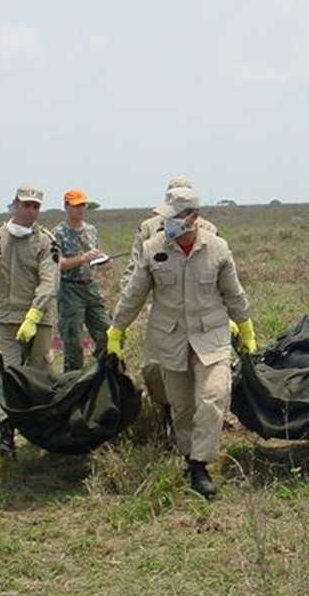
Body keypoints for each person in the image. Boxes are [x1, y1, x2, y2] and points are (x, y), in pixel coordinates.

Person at [107, 186, 256, 499]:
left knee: (214, 396)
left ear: (192, 217)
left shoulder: (217, 248)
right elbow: (134, 294)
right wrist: (117, 330)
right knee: (182, 406)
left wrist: (245, 327)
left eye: (173, 217)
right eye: (165, 217)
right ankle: (190, 459)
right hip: (171, 337)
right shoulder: (153, 248)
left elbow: (233, 292)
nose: (167, 223)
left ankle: (201, 463)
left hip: (210, 335)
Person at [120, 176, 218, 411]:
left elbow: (219, 271)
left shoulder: (208, 230)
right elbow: (133, 271)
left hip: (201, 313)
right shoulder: (149, 229)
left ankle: (199, 416)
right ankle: (166, 409)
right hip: (163, 312)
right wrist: (124, 313)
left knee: (202, 367)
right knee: (155, 367)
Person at [0, 185, 60, 454]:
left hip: (38, 320)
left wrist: (34, 314)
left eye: (35, 206)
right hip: (4, 319)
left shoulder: (46, 241)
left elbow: (49, 282)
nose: (30, 210)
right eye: (26, 204)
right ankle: (6, 434)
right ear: (15, 204)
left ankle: (45, 429)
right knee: (7, 376)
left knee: (40, 374)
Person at [52, 188, 111, 371]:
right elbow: (57, 264)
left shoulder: (91, 230)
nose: (81, 209)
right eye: (76, 205)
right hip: (70, 290)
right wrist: (83, 258)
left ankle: (103, 374)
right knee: (73, 343)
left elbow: (95, 259)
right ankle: (73, 383)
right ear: (66, 207)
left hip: (90, 287)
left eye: (83, 205)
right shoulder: (58, 233)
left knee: (107, 334)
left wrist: (100, 260)